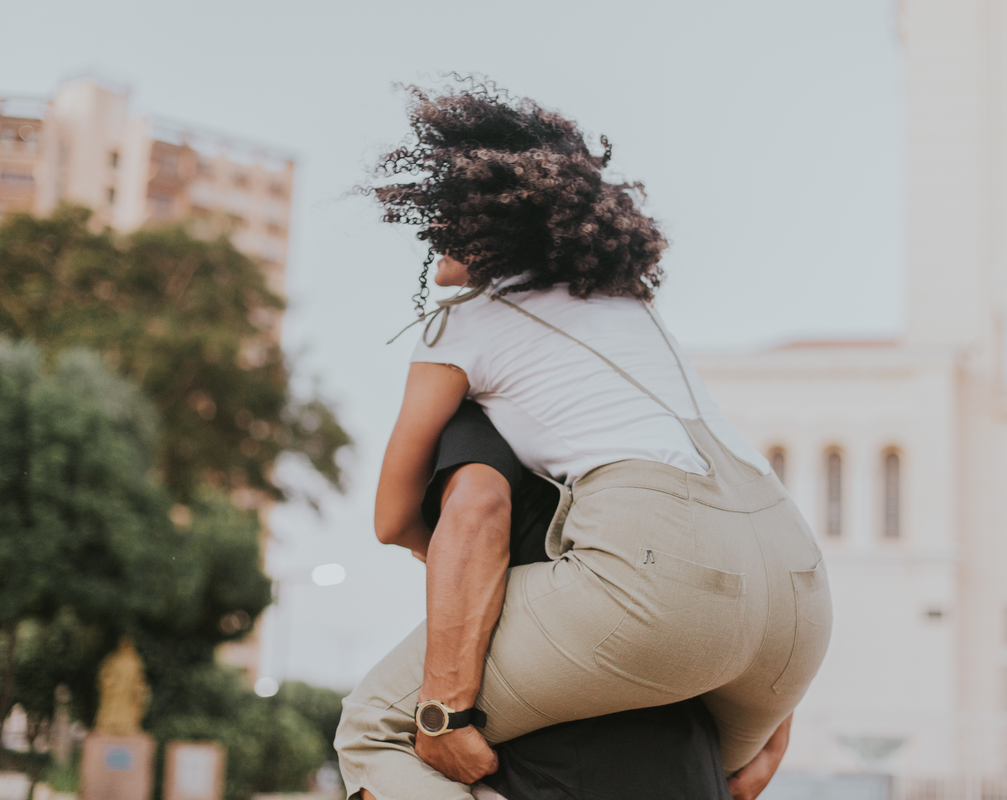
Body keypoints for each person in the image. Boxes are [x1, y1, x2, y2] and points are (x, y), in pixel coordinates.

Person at [335, 78, 831, 800]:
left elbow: (393, 517)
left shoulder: (464, 322)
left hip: (661, 583)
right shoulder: (632, 307)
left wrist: (459, 598)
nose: (434, 229)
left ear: (493, 223)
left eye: (448, 210)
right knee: (716, 779)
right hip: (796, 591)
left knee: (373, 729)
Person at [414, 400, 793, 800]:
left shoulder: (494, 413)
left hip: (555, 773)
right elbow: (755, 558)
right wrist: (774, 725)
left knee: (376, 732)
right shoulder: (656, 418)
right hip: (693, 767)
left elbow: (475, 507)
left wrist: (443, 717)